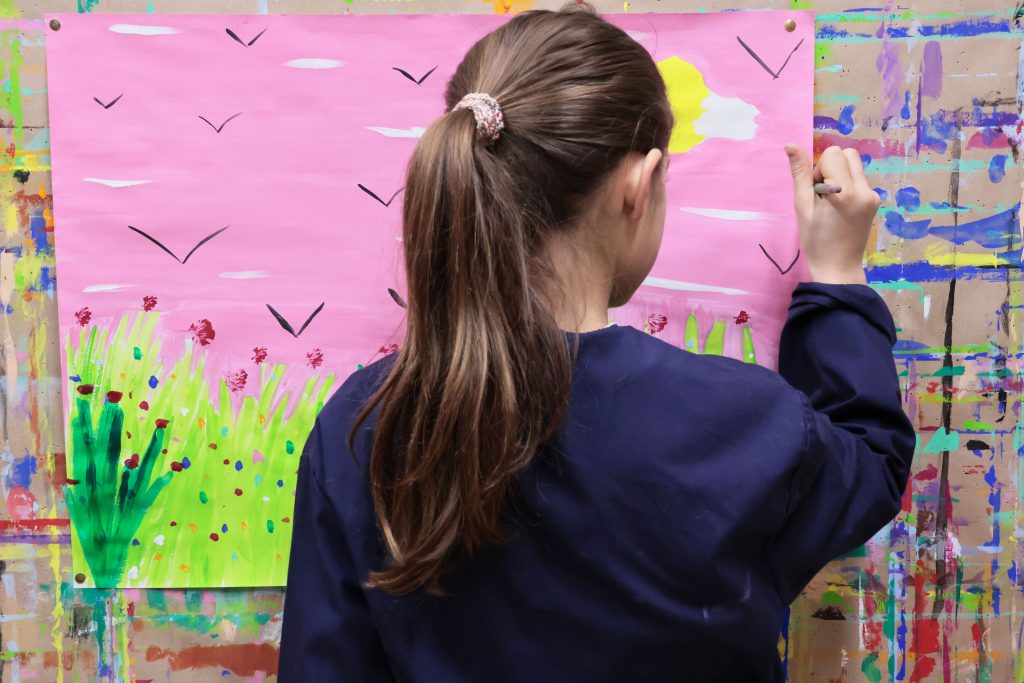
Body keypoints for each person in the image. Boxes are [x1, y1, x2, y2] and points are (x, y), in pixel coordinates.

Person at [278, 6, 915, 681]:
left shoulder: (362, 429)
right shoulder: (741, 420)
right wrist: (839, 277)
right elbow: (870, 461)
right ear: (638, 184)